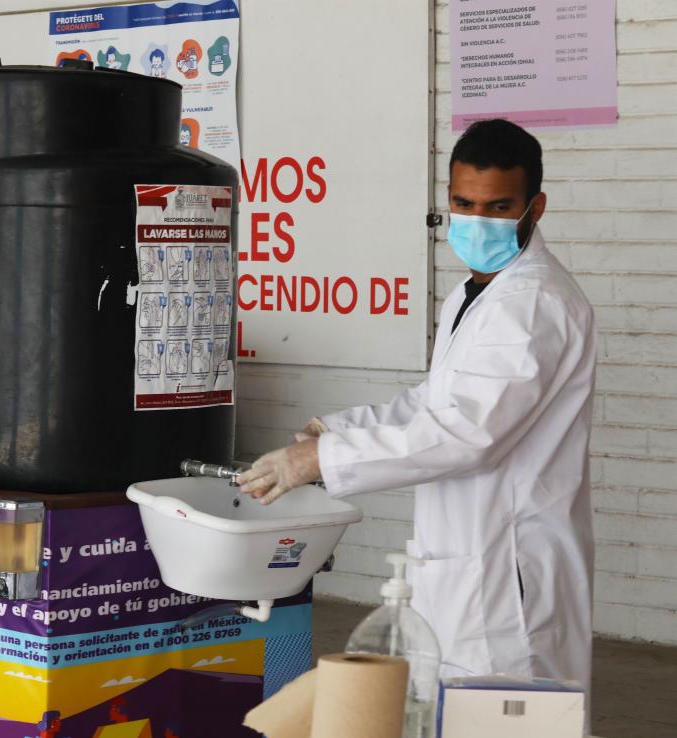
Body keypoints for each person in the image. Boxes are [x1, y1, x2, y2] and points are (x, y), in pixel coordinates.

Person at [237, 119, 597, 694]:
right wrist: (334, 430)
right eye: (463, 202)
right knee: (459, 729)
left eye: (499, 206)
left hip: (508, 566)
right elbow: (435, 402)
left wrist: (322, 460)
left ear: (536, 207)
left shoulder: (531, 303)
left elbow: (466, 432)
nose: (477, 220)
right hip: (472, 555)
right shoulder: (477, 291)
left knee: (515, 734)